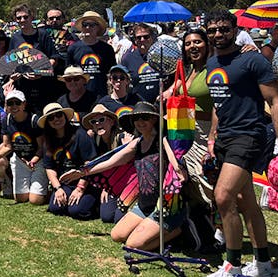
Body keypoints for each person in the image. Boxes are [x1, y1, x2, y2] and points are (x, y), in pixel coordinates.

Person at [198, 9, 278, 277]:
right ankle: (263, 265)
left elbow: (275, 100)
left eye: (224, 29)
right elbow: (219, 103)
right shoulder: (212, 62)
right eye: (212, 30)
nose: (217, 35)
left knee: (223, 197)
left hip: (248, 135)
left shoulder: (252, 59)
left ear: (235, 30)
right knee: (246, 200)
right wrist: (212, 137)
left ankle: (232, 268)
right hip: (224, 136)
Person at [65, 102, 187, 249]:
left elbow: (174, 159)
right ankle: (150, 227)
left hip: (164, 205)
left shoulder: (162, 140)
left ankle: (178, 230)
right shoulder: (137, 143)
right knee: (117, 235)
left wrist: (179, 169)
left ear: (154, 119)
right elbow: (111, 161)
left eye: (144, 118)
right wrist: (83, 172)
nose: (140, 122)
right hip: (144, 204)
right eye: (136, 119)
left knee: (132, 244)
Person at [162, 28, 216, 211]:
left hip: (206, 129)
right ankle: (203, 223)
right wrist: (170, 90)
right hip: (185, 128)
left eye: (197, 42)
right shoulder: (190, 69)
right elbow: (184, 87)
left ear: (207, 44)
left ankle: (221, 224)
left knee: (205, 176)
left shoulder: (214, 68)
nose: (192, 46)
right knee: (187, 176)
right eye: (188, 43)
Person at [39, 103, 98, 220]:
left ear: (65, 116)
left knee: (77, 211)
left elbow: (90, 163)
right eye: (51, 118)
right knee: (56, 208)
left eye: (59, 115)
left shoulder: (80, 134)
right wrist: (58, 188)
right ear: (48, 123)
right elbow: (49, 167)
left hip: (86, 181)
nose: (56, 119)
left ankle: (96, 204)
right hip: (65, 183)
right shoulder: (48, 141)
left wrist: (80, 188)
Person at [0, 90, 46, 204]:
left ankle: (45, 190)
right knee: (20, 198)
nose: (14, 106)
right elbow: (7, 146)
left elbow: (41, 147)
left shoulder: (34, 120)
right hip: (20, 161)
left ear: (24, 104)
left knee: (35, 200)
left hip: (37, 161)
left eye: (17, 103)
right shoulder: (7, 120)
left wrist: (34, 160)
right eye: (10, 103)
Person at [67, 11, 116, 98]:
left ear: (98, 28)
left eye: (92, 25)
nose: (88, 27)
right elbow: (69, 75)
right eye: (85, 24)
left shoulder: (107, 49)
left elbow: (112, 73)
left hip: (101, 95)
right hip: (79, 96)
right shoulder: (73, 48)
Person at [120, 23, 163, 102]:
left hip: (160, 105)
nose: (142, 40)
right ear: (135, 40)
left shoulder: (161, 56)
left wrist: (168, 91)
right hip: (138, 105)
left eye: (146, 37)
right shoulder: (127, 59)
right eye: (139, 38)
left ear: (152, 38)